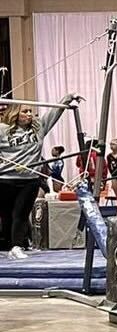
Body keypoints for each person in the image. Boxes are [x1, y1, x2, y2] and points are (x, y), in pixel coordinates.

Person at [0, 97, 78, 258]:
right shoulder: (2, 129)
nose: (29, 114)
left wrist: (67, 98)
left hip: (30, 179)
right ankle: (8, 245)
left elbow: (54, 112)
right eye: (25, 111)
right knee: (7, 214)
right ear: (15, 113)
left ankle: (17, 246)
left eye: (30, 111)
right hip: (6, 179)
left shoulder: (39, 128)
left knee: (21, 213)